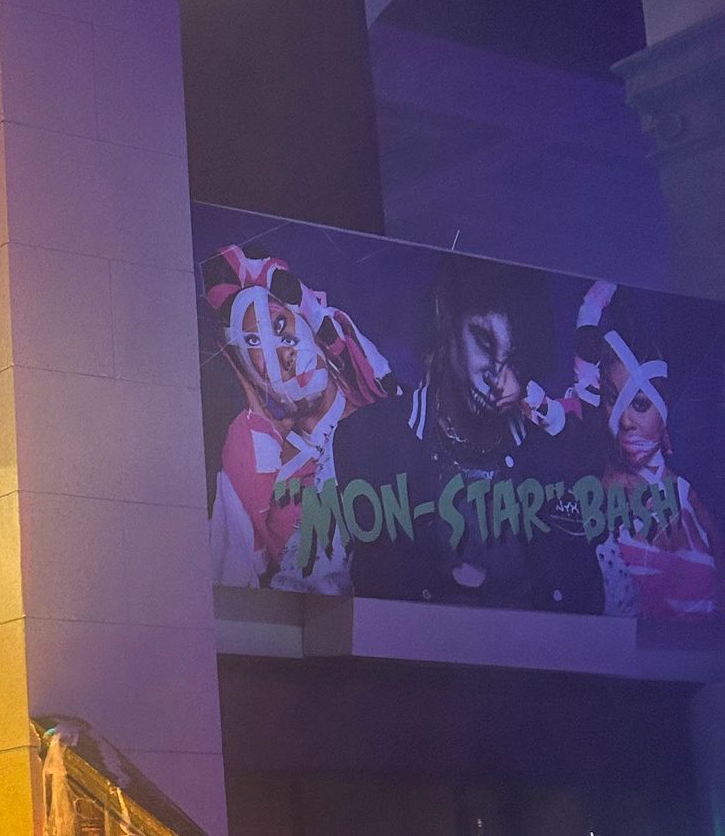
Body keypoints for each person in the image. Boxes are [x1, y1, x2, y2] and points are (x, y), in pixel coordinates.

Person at [330, 259, 602, 610]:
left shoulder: (556, 457)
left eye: (516, 362)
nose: (499, 382)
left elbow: (598, 607)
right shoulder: (365, 439)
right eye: (485, 342)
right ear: (447, 317)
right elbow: (314, 587)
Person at [203, 243, 394, 593]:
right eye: (263, 358)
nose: (285, 353)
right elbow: (229, 581)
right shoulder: (266, 463)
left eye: (280, 325)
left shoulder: (377, 409)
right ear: (257, 383)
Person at [571, 281, 722, 621]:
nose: (625, 420)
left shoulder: (686, 494)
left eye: (640, 404)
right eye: (613, 399)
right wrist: (591, 309)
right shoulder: (600, 486)